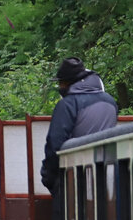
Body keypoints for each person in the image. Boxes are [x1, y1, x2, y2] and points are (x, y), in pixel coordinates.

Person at [40, 56, 118, 194]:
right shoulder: (110, 102)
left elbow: (55, 144)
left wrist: (48, 177)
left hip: (74, 180)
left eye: (61, 82)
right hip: (108, 176)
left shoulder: (68, 104)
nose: (60, 86)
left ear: (68, 83)